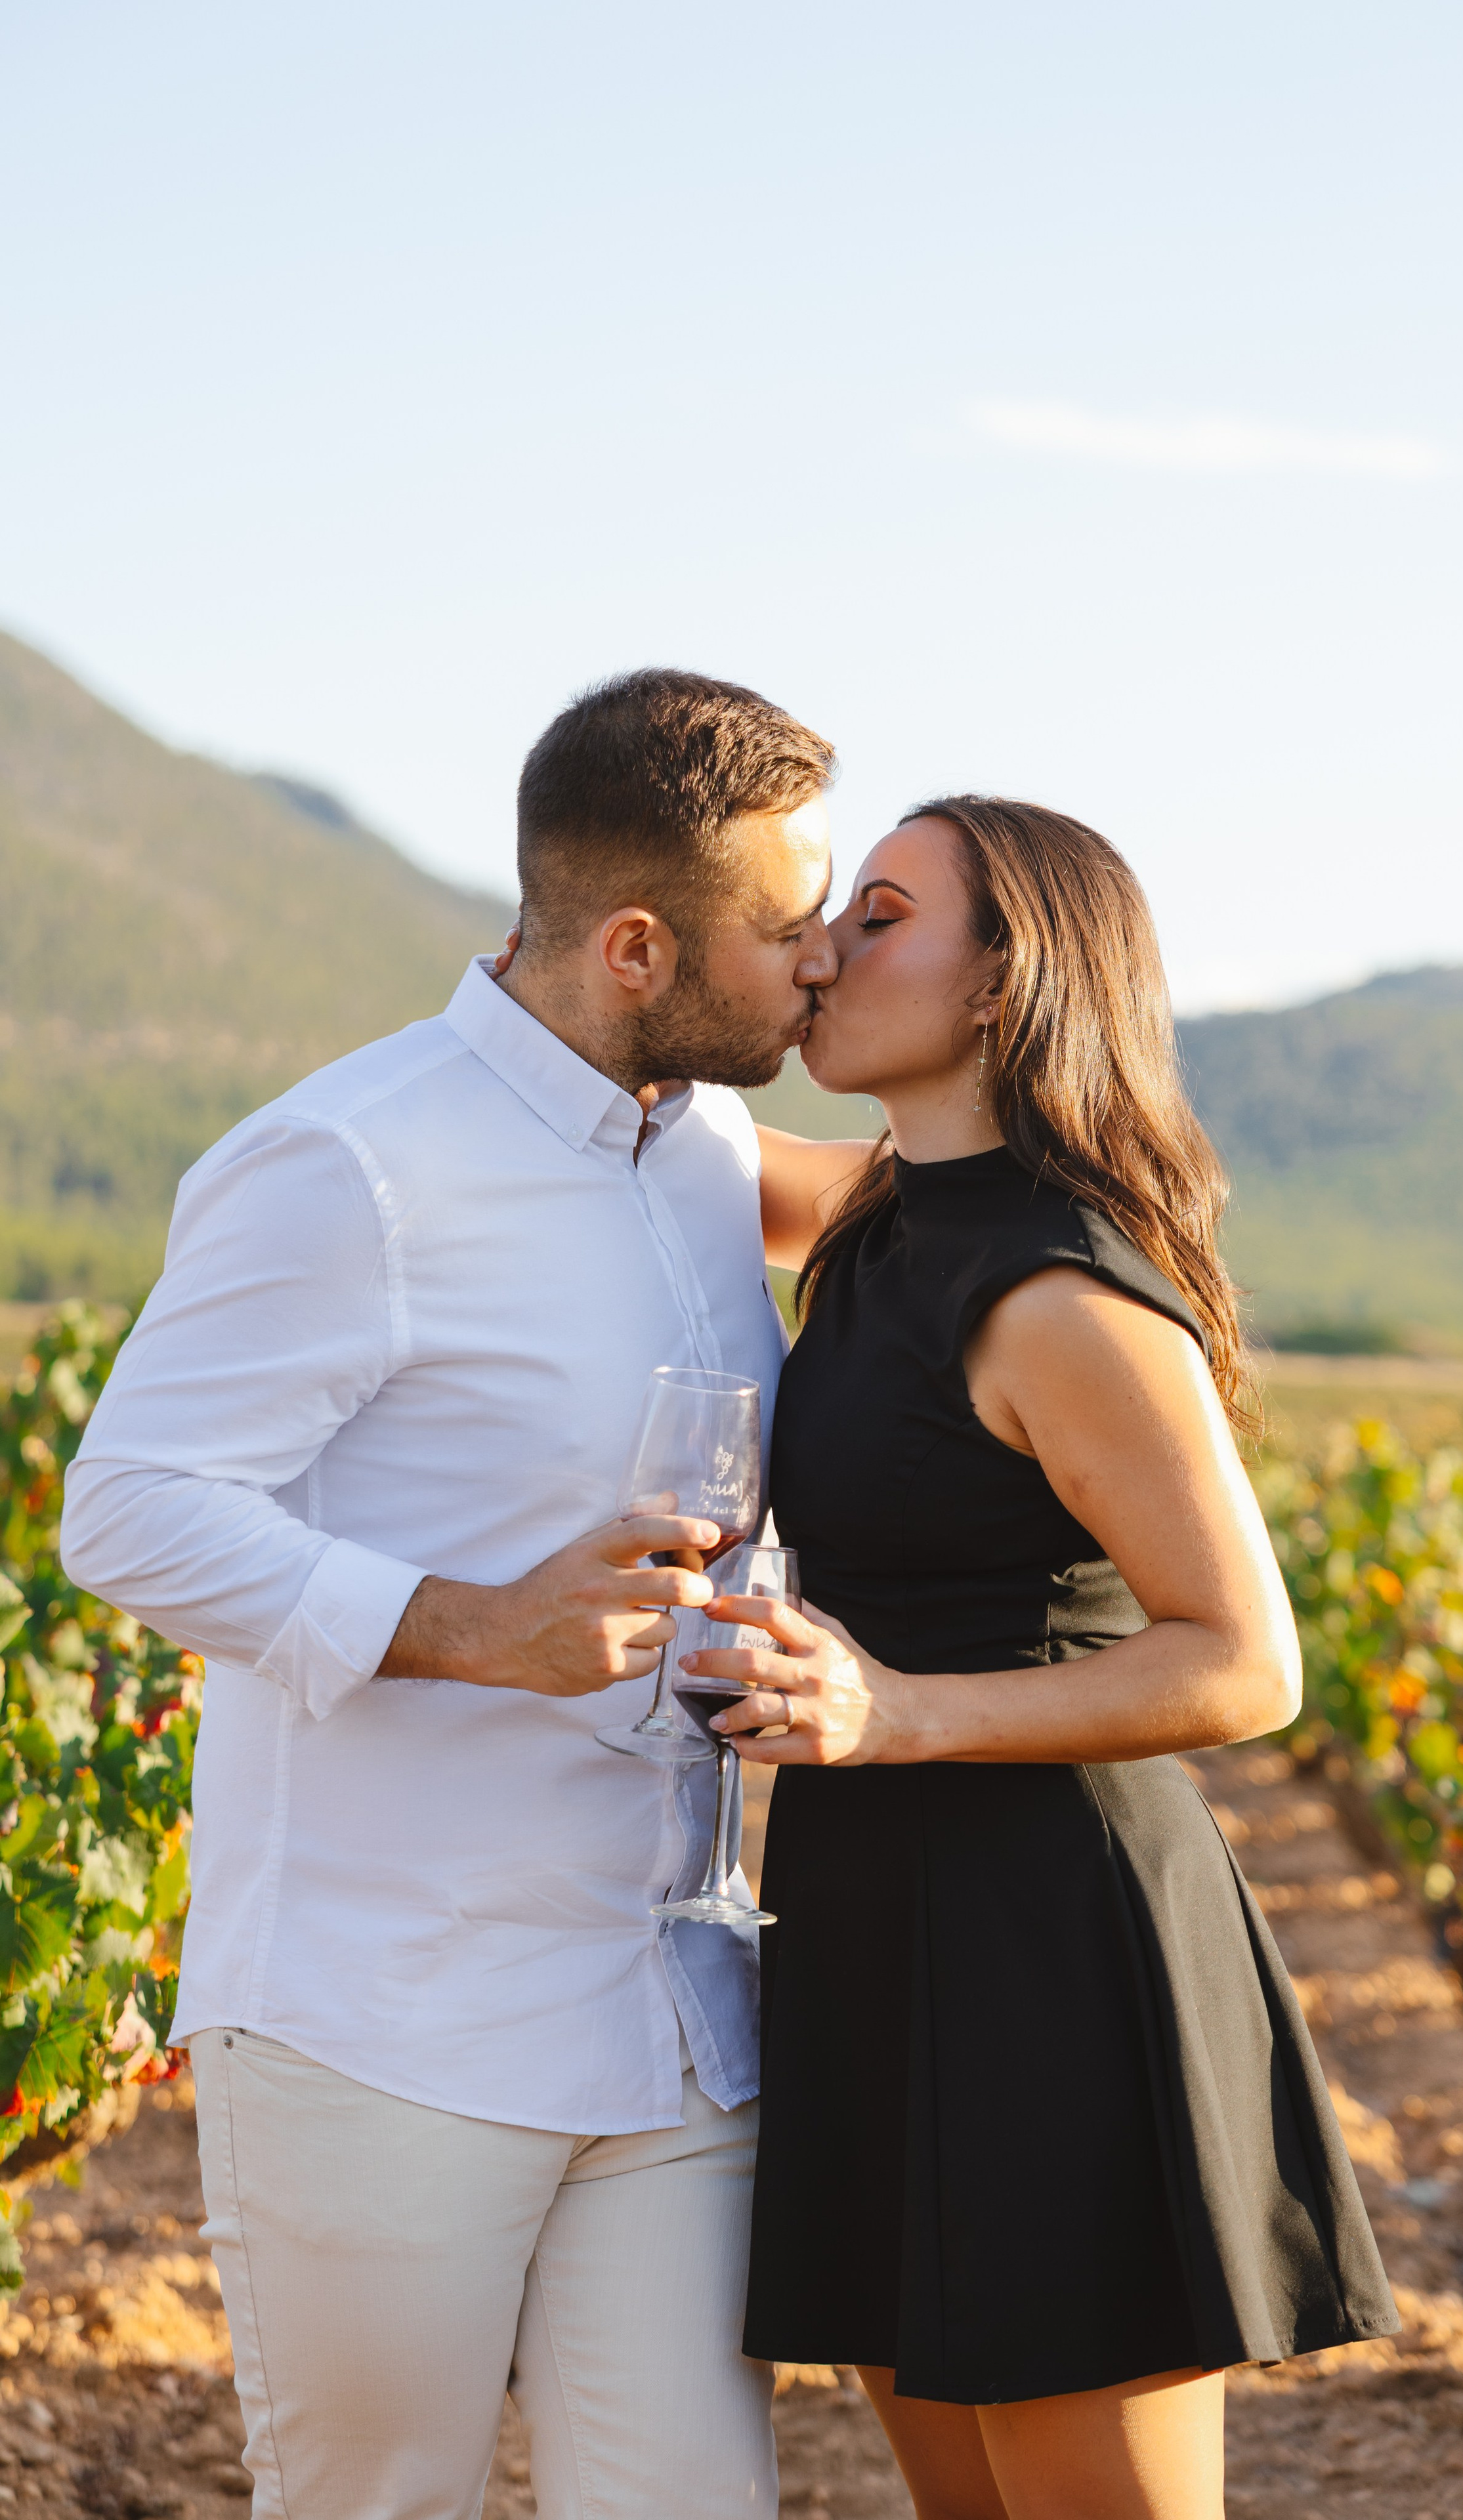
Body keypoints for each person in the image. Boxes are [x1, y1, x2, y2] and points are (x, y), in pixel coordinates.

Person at [59, 669, 841, 2520]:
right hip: (384, 2010)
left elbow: (908, 1196)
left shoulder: (706, 1143)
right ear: (641, 946)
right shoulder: (351, 1163)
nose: (819, 962)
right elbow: (131, 1508)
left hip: (667, 2001)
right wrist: (475, 1626)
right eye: (791, 927)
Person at [686, 797, 1400, 2520]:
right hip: (875, 1919)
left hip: (1048, 1941)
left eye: (877, 917)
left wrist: (896, 1711)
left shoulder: (1055, 1297)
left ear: (1002, 990)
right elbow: (648, 1138)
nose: (824, 953)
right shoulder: (885, 1216)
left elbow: (1247, 1663)